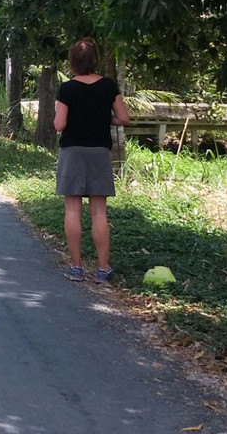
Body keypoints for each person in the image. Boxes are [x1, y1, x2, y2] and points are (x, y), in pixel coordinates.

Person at [54, 39, 130, 284]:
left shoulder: (66, 89)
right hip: (99, 151)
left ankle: (76, 268)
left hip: (72, 151)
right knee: (99, 212)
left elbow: (60, 125)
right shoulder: (108, 86)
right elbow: (124, 118)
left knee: (72, 209)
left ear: (72, 62)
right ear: (95, 60)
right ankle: (103, 270)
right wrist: (103, 119)